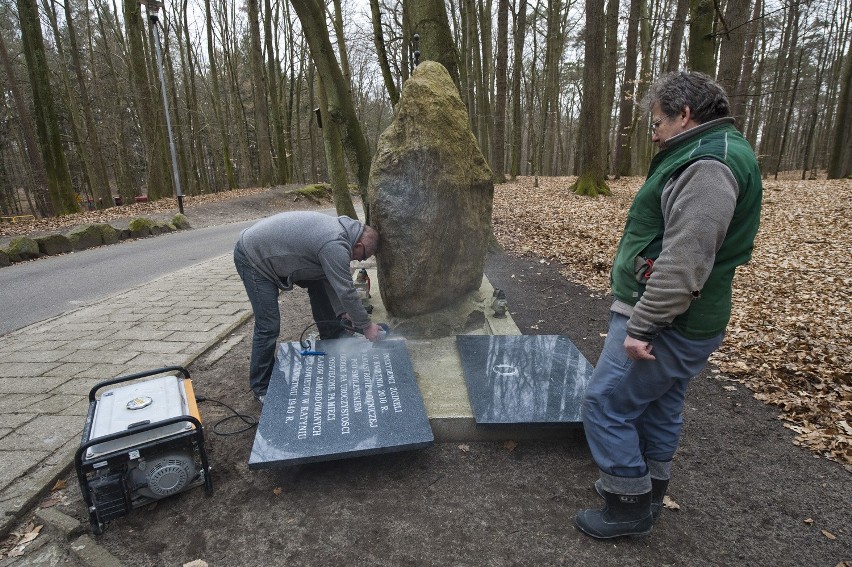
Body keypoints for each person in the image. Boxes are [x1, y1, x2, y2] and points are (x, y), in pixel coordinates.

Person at [575, 71, 762, 539]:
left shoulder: (707, 165)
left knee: (605, 405)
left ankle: (627, 505)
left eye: (657, 122)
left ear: (684, 115)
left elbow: (685, 260)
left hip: (669, 321)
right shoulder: (708, 151)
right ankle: (652, 493)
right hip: (688, 319)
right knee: (659, 405)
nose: (653, 132)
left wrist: (643, 326)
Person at [233, 211, 382, 404]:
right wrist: (366, 326)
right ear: (359, 245)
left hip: (268, 250)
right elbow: (346, 290)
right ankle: (261, 386)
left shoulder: (343, 233)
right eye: (363, 257)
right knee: (268, 324)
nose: (359, 261)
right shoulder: (335, 244)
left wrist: (343, 312)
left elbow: (330, 278)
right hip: (253, 257)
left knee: (319, 282)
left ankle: (333, 336)